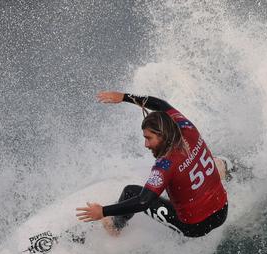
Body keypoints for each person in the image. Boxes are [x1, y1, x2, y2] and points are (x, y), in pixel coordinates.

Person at [75, 91, 229, 238]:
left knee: (131, 192)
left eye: (149, 138)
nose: (146, 144)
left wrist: (102, 211)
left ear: (163, 135)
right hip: (222, 210)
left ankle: (115, 227)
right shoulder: (187, 128)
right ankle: (223, 171)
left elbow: (143, 201)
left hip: (197, 226)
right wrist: (124, 97)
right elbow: (162, 105)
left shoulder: (165, 165)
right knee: (214, 162)